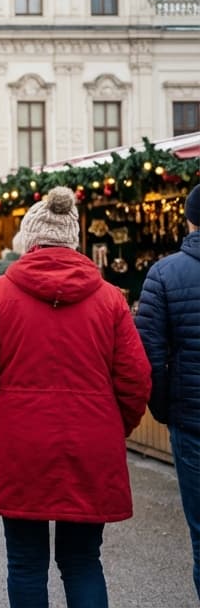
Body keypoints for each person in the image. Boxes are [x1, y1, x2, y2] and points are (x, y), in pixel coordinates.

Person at [0, 186, 150, 607]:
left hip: (18, 444)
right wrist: (114, 426)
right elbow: (136, 379)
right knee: (83, 560)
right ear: (74, 239)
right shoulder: (109, 299)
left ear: (29, 240)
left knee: (26, 562)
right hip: (91, 442)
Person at [136, 183, 200, 599]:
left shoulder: (165, 273)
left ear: (190, 219)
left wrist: (164, 410)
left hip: (193, 423)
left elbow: (149, 359)